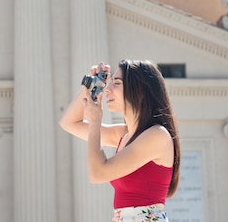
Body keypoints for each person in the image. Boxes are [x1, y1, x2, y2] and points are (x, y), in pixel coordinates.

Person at [59, 60, 181, 222]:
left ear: (141, 90)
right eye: (108, 83)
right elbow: (69, 122)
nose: (107, 89)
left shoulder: (156, 135)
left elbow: (98, 173)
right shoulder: (123, 135)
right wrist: (91, 85)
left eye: (116, 83)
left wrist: (95, 122)